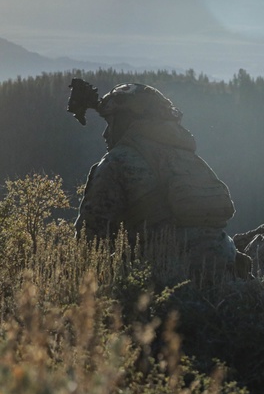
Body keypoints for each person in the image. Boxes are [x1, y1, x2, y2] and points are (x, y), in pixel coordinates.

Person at [71, 80, 249, 282]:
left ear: (127, 121)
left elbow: (88, 240)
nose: (105, 133)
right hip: (227, 271)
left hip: (167, 278)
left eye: (112, 122)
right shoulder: (186, 157)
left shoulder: (116, 162)